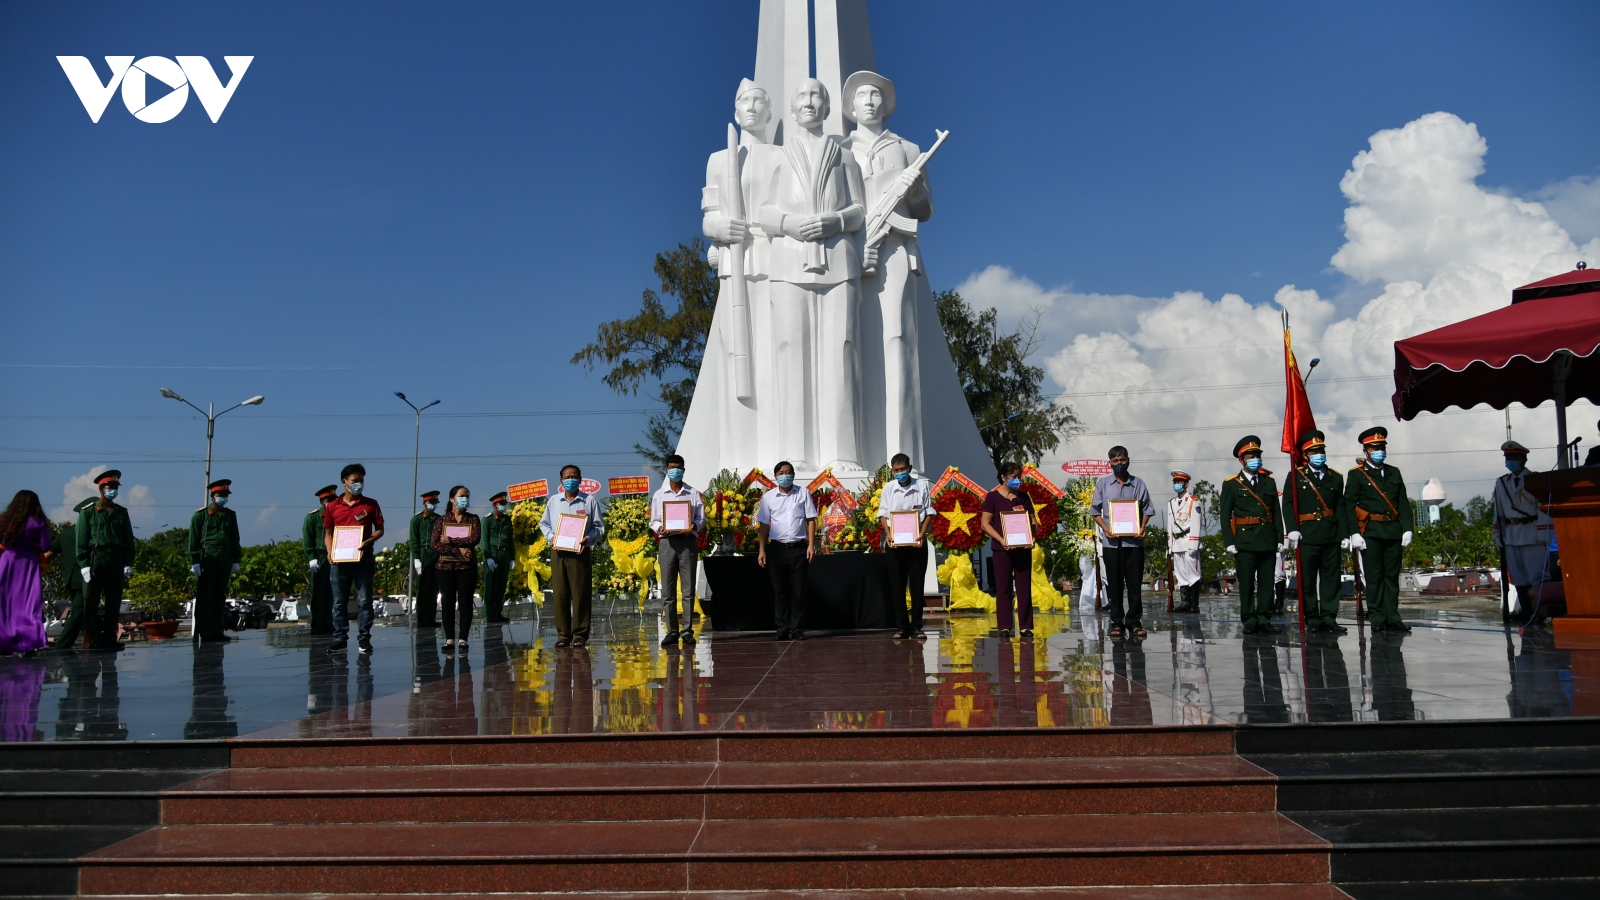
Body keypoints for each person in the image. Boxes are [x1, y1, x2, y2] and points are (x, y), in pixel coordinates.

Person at [756, 78, 868, 471]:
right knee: (791, 353)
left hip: (838, 262)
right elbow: (764, 212)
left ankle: (843, 452)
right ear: (792, 107)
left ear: (826, 107)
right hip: (788, 262)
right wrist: (789, 223)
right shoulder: (777, 158)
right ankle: (794, 454)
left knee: (842, 351)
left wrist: (834, 221)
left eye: (816, 96)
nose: (809, 102)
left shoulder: (845, 157)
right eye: (802, 96)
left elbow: (859, 209)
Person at [845, 70, 934, 466]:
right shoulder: (840, 149)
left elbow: (926, 210)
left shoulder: (909, 148)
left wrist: (911, 188)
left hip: (896, 249)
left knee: (898, 340)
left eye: (876, 95)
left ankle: (905, 459)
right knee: (848, 343)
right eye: (862, 95)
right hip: (850, 250)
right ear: (850, 106)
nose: (869, 101)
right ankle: (850, 453)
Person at [1342, 427, 1413, 634]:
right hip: (1370, 532)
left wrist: (1408, 528)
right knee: (1374, 577)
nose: (1379, 451)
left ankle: (1393, 617)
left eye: (1381, 447)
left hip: (1393, 530)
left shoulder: (1394, 472)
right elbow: (1349, 505)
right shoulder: (1356, 475)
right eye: (1375, 448)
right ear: (1366, 451)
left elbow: (1403, 503)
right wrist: (1354, 532)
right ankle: (1378, 617)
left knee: (1391, 577)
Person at [1220, 436, 1285, 635]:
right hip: (1244, 541)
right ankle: (1249, 619)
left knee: (1267, 583)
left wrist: (1280, 538)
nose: (1255, 459)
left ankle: (1265, 618)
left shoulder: (1269, 483)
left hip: (1266, 538)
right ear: (1242, 460)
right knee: (1247, 583)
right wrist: (1229, 542)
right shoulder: (1231, 484)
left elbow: (1275, 512)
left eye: (1257, 455)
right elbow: (1224, 514)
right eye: (1251, 456)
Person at [1089, 446, 1155, 639]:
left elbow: (1148, 509)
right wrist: (1106, 529)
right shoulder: (1103, 485)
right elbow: (1094, 511)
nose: (1120, 463)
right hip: (1112, 543)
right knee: (1115, 584)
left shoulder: (1138, 484)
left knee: (1134, 584)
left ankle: (1134, 622)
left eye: (1123, 459)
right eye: (1115, 461)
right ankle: (1116, 622)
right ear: (1110, 463)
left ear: (1128, 460)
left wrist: (1142, 527)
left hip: (1134, 543)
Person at [1284, 431, 1347, 634]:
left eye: (1321, 450)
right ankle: (1311, 617)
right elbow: (1288, 503)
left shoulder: (1335, 477)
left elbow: (1340, 507)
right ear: (1306, 455)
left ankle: (1329, 617)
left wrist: (1344, 533)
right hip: (1307, 534)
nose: (1319, 454)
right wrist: (1292, 529)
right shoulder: (1295, 476)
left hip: (1330, 534)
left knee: (1331, 580)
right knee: (1308, 581)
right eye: (1314, 451)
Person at [539, 465, 603, 649]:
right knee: (560, 594)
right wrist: (552, 538)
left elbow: (599, 527)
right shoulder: (553, 501)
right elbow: (544, 524)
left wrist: (587, 538)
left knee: (580, 593)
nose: (570, 479)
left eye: (574, 476)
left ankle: (580, 634)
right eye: (567, 477)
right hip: (558, 551)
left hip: (580, 552)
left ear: (580, 480)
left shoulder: (589, 501)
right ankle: (563, 634)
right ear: (560, 481)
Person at [323, 463, 384, 655]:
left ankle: (364, 638)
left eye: (361, 481)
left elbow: (380, 530)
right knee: (339, 602)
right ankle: (340, 638)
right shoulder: (333, 506)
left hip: (363, 560)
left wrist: (369, 541)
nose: (359, 484)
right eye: (355, 481)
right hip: (340, 562)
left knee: (365, 600)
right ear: (344, 483)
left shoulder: (371, 504)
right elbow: (328, 533)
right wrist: (330, 552)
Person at [756, 460, 817, 641]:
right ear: (775, 476)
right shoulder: (769, 498)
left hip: (798, 548)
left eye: (788, 472)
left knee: (798, 590)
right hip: (777, 549)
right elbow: (764, 525)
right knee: (780, 590)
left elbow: (811, 519)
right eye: (781, 473)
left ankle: (797, 627)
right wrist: (761, 550)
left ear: (793, 475)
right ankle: (782, 627)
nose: (785, 475)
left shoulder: (803, 493)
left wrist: (811, 545)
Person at [649, 454, 705, 648]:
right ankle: (672, 631)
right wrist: (659, 529)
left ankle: (687, 630)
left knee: (688, 590)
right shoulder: (660, 494)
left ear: (683, 469)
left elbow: (701, 519)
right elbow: (654, 520)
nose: (675, 470)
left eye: (678, 467)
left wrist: (694, 526)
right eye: (672, 467)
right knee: (668, 590)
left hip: (687, 542)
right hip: (667, 543)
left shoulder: (693, 493)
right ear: (666, 470)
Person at [76, 470, 135, 651]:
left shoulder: (121, 513)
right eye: (110, 487)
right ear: (101, 489)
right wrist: (84, 564)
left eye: (116, 488)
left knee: (114, 600)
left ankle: (109, 638)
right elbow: (82, 540)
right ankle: (93, 638)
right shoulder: (89, 512)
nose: (114, 491)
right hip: (96, 558)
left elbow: (128, 539)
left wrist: (127, 562)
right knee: (91, 601)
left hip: (115, 558)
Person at [1494, 440, 1551, 623]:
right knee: (1518, 576)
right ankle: (1525, 611)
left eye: (1514, 457)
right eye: (1508, 457)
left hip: (1532, 532)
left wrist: (1543, 534)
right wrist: (1498, 533)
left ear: (1523, 459)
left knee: (1537, 576)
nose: (1509, 460)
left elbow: (1544, 508)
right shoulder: (1502, 483)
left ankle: (1539, 612)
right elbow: (1498, 512)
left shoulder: (1535, 479)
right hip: (1511, 533)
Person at [981, 462, 1038, 639]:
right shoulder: (992, 497)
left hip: (1022, 549)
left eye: (1019, 477)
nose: (1017, 480)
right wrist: (1001, 540)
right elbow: (985, 524)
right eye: (1013, 477)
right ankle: (1005, 626)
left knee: (1024, 588)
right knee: (1003, 589)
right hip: (1001, 550)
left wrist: (1032, 537)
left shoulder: (1024, 497)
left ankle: (1025, 626)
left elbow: (1033, 521)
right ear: (1003, 477)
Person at [879, 452, 931, 641]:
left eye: (903, 469)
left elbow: (929, 513)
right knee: (897, 585)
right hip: (894, 543)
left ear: (909, 469)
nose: (900, 473)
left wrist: (922, 533)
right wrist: (889, 533)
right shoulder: (889, 488)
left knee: (917, 585)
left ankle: (917, 626)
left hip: (917, 543)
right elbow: (883, 515)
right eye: (896, 470)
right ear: (892, 471)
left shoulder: (922, 486)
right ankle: (902, 626)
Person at [0, 490, 54, 656]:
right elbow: (46, 546)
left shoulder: (5, 521)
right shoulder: (37, 522)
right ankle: (27, 644)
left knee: (5, 606)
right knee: (28, 605)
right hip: (28, 565)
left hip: (7, 563)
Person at [188, 479, 242, 644]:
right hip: (208, 556)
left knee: (219, 597)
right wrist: (194, 561)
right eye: (220, 495)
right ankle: (204, 632)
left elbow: (235, 539)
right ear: (213, 496)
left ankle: (217, 631)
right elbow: (193, 540)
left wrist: (236, 560)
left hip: (224, 556)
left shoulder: (230, 515)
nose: (223, 498)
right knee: (205, 597)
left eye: (226, 495)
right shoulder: (201, 515)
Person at [431, 485, 481, 652]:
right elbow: (435, 543)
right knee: (447, 603)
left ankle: (463, 639)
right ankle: (450, 639)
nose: (465, 499)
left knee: (466, 603)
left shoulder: (473, 519)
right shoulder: (441, 520)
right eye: (461, 495)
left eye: (467, 496)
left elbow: (474, 539)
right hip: (445, 567)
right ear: (452, 499)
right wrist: (456, 550)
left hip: (466, 566)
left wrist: (451, 540)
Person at [50, 498, 97, 650]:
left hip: (70, 578)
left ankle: (93, 639)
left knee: (85, 611)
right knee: (79, 610)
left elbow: (49, 553)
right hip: (85, 578)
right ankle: (62, 645)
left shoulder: (65, 533)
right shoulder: (93, 534)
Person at [301, 485, 337, 635]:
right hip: (320, 556)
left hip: (335, 556)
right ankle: (316, 625)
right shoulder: (313, 517)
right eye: (327, 500)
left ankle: (328, 624)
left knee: (330, 593)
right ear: (322, 502)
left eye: (333, 500)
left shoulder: (338, 515)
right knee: (318, 592)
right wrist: (311, 558)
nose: (331, 503)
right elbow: (307, 539)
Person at [1167, 471, 1203, 614]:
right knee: (1181, 575)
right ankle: (1185, 602)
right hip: (1176, 542)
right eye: (1175, 482)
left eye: (1180, 482)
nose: (1177, 485)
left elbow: (1196, 523)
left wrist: (1194, 544)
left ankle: (1195, 604)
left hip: (1189, 541)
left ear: (1186, 484)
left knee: (1193, 574)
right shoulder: (1171, 503)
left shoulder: (1194, 501)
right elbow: (1170, 525)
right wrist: (1170, 545)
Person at [410, 490, 442, 627]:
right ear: (424, 503)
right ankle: (421, 619)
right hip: (423, 555)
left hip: (436, 555)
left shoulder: (439, 519)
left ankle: (431, 618)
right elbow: (414, 540)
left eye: (435, 502)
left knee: (434, 590)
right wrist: (416, 558)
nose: (433, 505)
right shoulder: (416, 519)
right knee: (422, 590)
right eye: (431, 502)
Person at [481, 491, 515, 624]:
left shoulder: (507, 520)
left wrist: (512, 557)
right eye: (501, 504)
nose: (503, 506)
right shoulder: (487, 520)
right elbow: (484, 540)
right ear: (494, 505)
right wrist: (488, 557)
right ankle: (489, 614)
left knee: (501, 585)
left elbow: (510, 540)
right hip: (493, 553)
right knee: (490, 585)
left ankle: (498, 612)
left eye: (504, 504)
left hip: (505, 554)